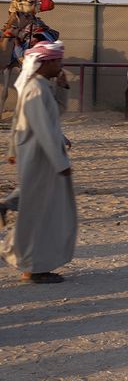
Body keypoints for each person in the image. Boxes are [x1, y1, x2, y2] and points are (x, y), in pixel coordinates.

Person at [1, 41, 76, 283]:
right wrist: (59, 163)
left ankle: (33, 263)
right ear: (45, 62)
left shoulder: (43, 86)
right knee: (40, 213)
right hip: (40, 159)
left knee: (44, 210)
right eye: (57, 61)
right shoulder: (35, 88)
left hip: (45, 159)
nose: (60, 66)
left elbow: (54, 117)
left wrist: (63, 88)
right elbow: (43, 130)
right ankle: (33, 268)